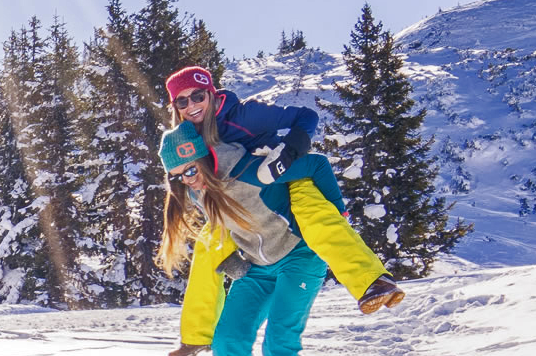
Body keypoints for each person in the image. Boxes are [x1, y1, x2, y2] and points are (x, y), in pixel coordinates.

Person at [162, 64, 404, 313]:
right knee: (207, 240)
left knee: (314, 218)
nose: (191, 106)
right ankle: (197, 335)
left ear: (211, 94)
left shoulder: (244, 115)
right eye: (182, 102)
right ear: (175, 108)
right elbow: (204, 194)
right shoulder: (189, 137)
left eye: (198, 96)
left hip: (287, 177)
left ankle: (372, 282)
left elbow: (307, 117)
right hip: (253, 197)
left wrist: (286, 154)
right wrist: (230, 256)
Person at [156, 123, 335, 356]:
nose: (188, 181)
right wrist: (234, 260)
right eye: (177, 177)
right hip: (258, 266)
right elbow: (224, 231)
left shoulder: (249, 170)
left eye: (191, 170)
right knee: (228, 339)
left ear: (204, 159)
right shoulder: (197, 193)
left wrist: (337, 211)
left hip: (299, 255)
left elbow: (313, 166)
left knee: (279, 338)